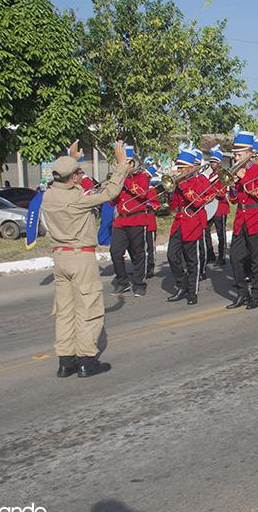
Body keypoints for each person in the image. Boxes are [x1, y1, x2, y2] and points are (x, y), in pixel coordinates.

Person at [41, 139, 132, 378]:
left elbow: (71, 182)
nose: (81, 176)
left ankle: (66, 360)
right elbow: (111, 192)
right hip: (80, 258)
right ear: (71, 178)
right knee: (88, 309)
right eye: (78, 173)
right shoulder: (77, 199)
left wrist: (73, 159)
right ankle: (86, 360)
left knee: (65, 311)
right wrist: (121, 164)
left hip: (60, 258)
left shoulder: (49, 195)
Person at [226, 130, 258, 309]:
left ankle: (255, 294)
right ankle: (242, 293)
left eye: (238, 155)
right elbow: (234, 200)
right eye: (234, 155)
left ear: (249, 154)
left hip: (257, 218)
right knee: (234, 257)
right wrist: (231, 186)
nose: (235, 159)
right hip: (241, 218)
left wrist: (243, 176)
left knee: (257, 259)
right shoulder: (236, 172)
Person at [110, 145, 158, 297]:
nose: (123, 166)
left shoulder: (142, 177)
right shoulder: (118, 178)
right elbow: (112, 202)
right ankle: (122, 281)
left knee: (138, 254)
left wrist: (124, 181)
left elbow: (142, 193)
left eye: (126, 163)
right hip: (121, 221)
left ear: (132, 164)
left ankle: (139, 284)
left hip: (137, 220)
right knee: (115, 252)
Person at [166, 148, 212, 306]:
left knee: (193, 261)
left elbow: (199, 202)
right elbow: (173, 206)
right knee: (172, 255)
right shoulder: (178, 183)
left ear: (191, 167)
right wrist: (170, 192)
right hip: (179, 221)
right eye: (178, 167)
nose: (179, 170)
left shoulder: (201, 181)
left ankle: (193, 292)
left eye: (182, 167)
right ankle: (181, 284)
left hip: (193, 222)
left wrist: (183, 185)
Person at [203, 147, 229, 267]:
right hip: (210, 208)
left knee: (220, 234)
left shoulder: (223, 174)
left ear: (219, 162)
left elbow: (222, 193)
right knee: (206, 230)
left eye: (214, 162)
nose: (212, 164)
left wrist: (211, 190)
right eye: (211, 162)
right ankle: (211, 254)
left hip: (220, 207)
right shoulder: (211, 175)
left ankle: (222, 257)